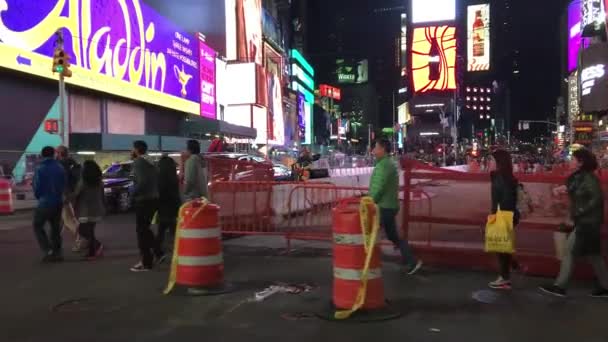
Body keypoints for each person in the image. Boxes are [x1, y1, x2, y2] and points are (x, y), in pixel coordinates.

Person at [539, 148, 608, 298]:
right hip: (588, 222)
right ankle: (605, 286)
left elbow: (596, 198)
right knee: (594, 255)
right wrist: (563, 189)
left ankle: (560, 286)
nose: (570, 161)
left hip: (586, 222)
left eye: (573, 159)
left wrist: (579, 211)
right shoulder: (581, 177)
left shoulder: (588, 178)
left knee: (569, 251)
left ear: (580, 162)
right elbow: (577, 189)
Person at [370, 139, 422, 275]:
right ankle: (410, 260)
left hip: (384, 206)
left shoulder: (384, 166)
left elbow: (378, 186)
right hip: (389, 205)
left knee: (369, 232)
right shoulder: (388, 164)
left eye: (375, 147)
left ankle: (367, 262)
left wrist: (370, 201)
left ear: (382, 149)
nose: (373, 150)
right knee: (393, 236)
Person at [487, 149, 520, 290]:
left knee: (500, 247)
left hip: (503, 215)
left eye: (491, 160)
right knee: (502, 247)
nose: (488, 163)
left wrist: (496, 218)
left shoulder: (501, 179)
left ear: (499, 163)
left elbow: (504, 201)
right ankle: (507, 273)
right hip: (506, 215)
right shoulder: (503, 177)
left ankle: (505, 278)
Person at [130, 140, 162, 272]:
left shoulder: (138, 162)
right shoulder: (152, 162)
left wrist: (133, 192)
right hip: (154, 199)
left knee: (141, 231)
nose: (131, 151)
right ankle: (158, 252)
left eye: (132, 149)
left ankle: (146, 262)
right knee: (146, 229)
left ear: (136, 150)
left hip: (143, 200)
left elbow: (141, 182)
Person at [32, 146, 66, 262]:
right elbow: (64, 184)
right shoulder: (60, 167)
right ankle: (57, 252)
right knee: (55, 228)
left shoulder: (40, 168)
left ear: (42, 155)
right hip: (58, 201)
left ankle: (48, 250)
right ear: (53, 154)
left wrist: (39, 196)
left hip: (45, 201)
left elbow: (37, 186)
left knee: (37, 225)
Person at [72, 160, 105, 260]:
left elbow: (76, 193)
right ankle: (92, 252)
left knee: (82, 230)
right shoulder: (99, 181)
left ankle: (97, 247)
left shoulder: (83, 181)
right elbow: (102, 195)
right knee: (90, 231)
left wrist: (67, 198)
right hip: (96, 209)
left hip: (85, 209)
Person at [56, 145, 84, 251]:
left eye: (57, 152)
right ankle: (55, 242)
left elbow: (61, 180)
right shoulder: (74, 163)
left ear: (59, 153)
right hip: (71, 193)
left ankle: (83, 238)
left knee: (68, 219)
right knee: (64, 219)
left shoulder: (61, 164)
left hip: (64, 194)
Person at [157, 155, 181, 254]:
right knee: (173, 230)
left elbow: (159, 193)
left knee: (161, 230)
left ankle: (158, 251)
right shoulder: (174, 178)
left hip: (163, 208)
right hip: (174, 207)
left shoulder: (160, 178)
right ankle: (178, 249)